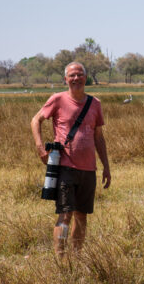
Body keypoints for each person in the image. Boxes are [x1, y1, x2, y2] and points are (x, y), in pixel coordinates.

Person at [31, 62, 111, 257]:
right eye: (72, 75)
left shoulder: (95, 104)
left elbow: (98, 137)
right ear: (65, 79)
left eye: (80, 75)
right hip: (65, 167)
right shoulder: (57, 99)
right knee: (65, 214)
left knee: (82, 216)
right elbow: (35, 120)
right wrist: (41, 148)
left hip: (88, 169)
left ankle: (76, 258)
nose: (76, 79)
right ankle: (60, 259)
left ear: (86, 78)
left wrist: (106, 167)